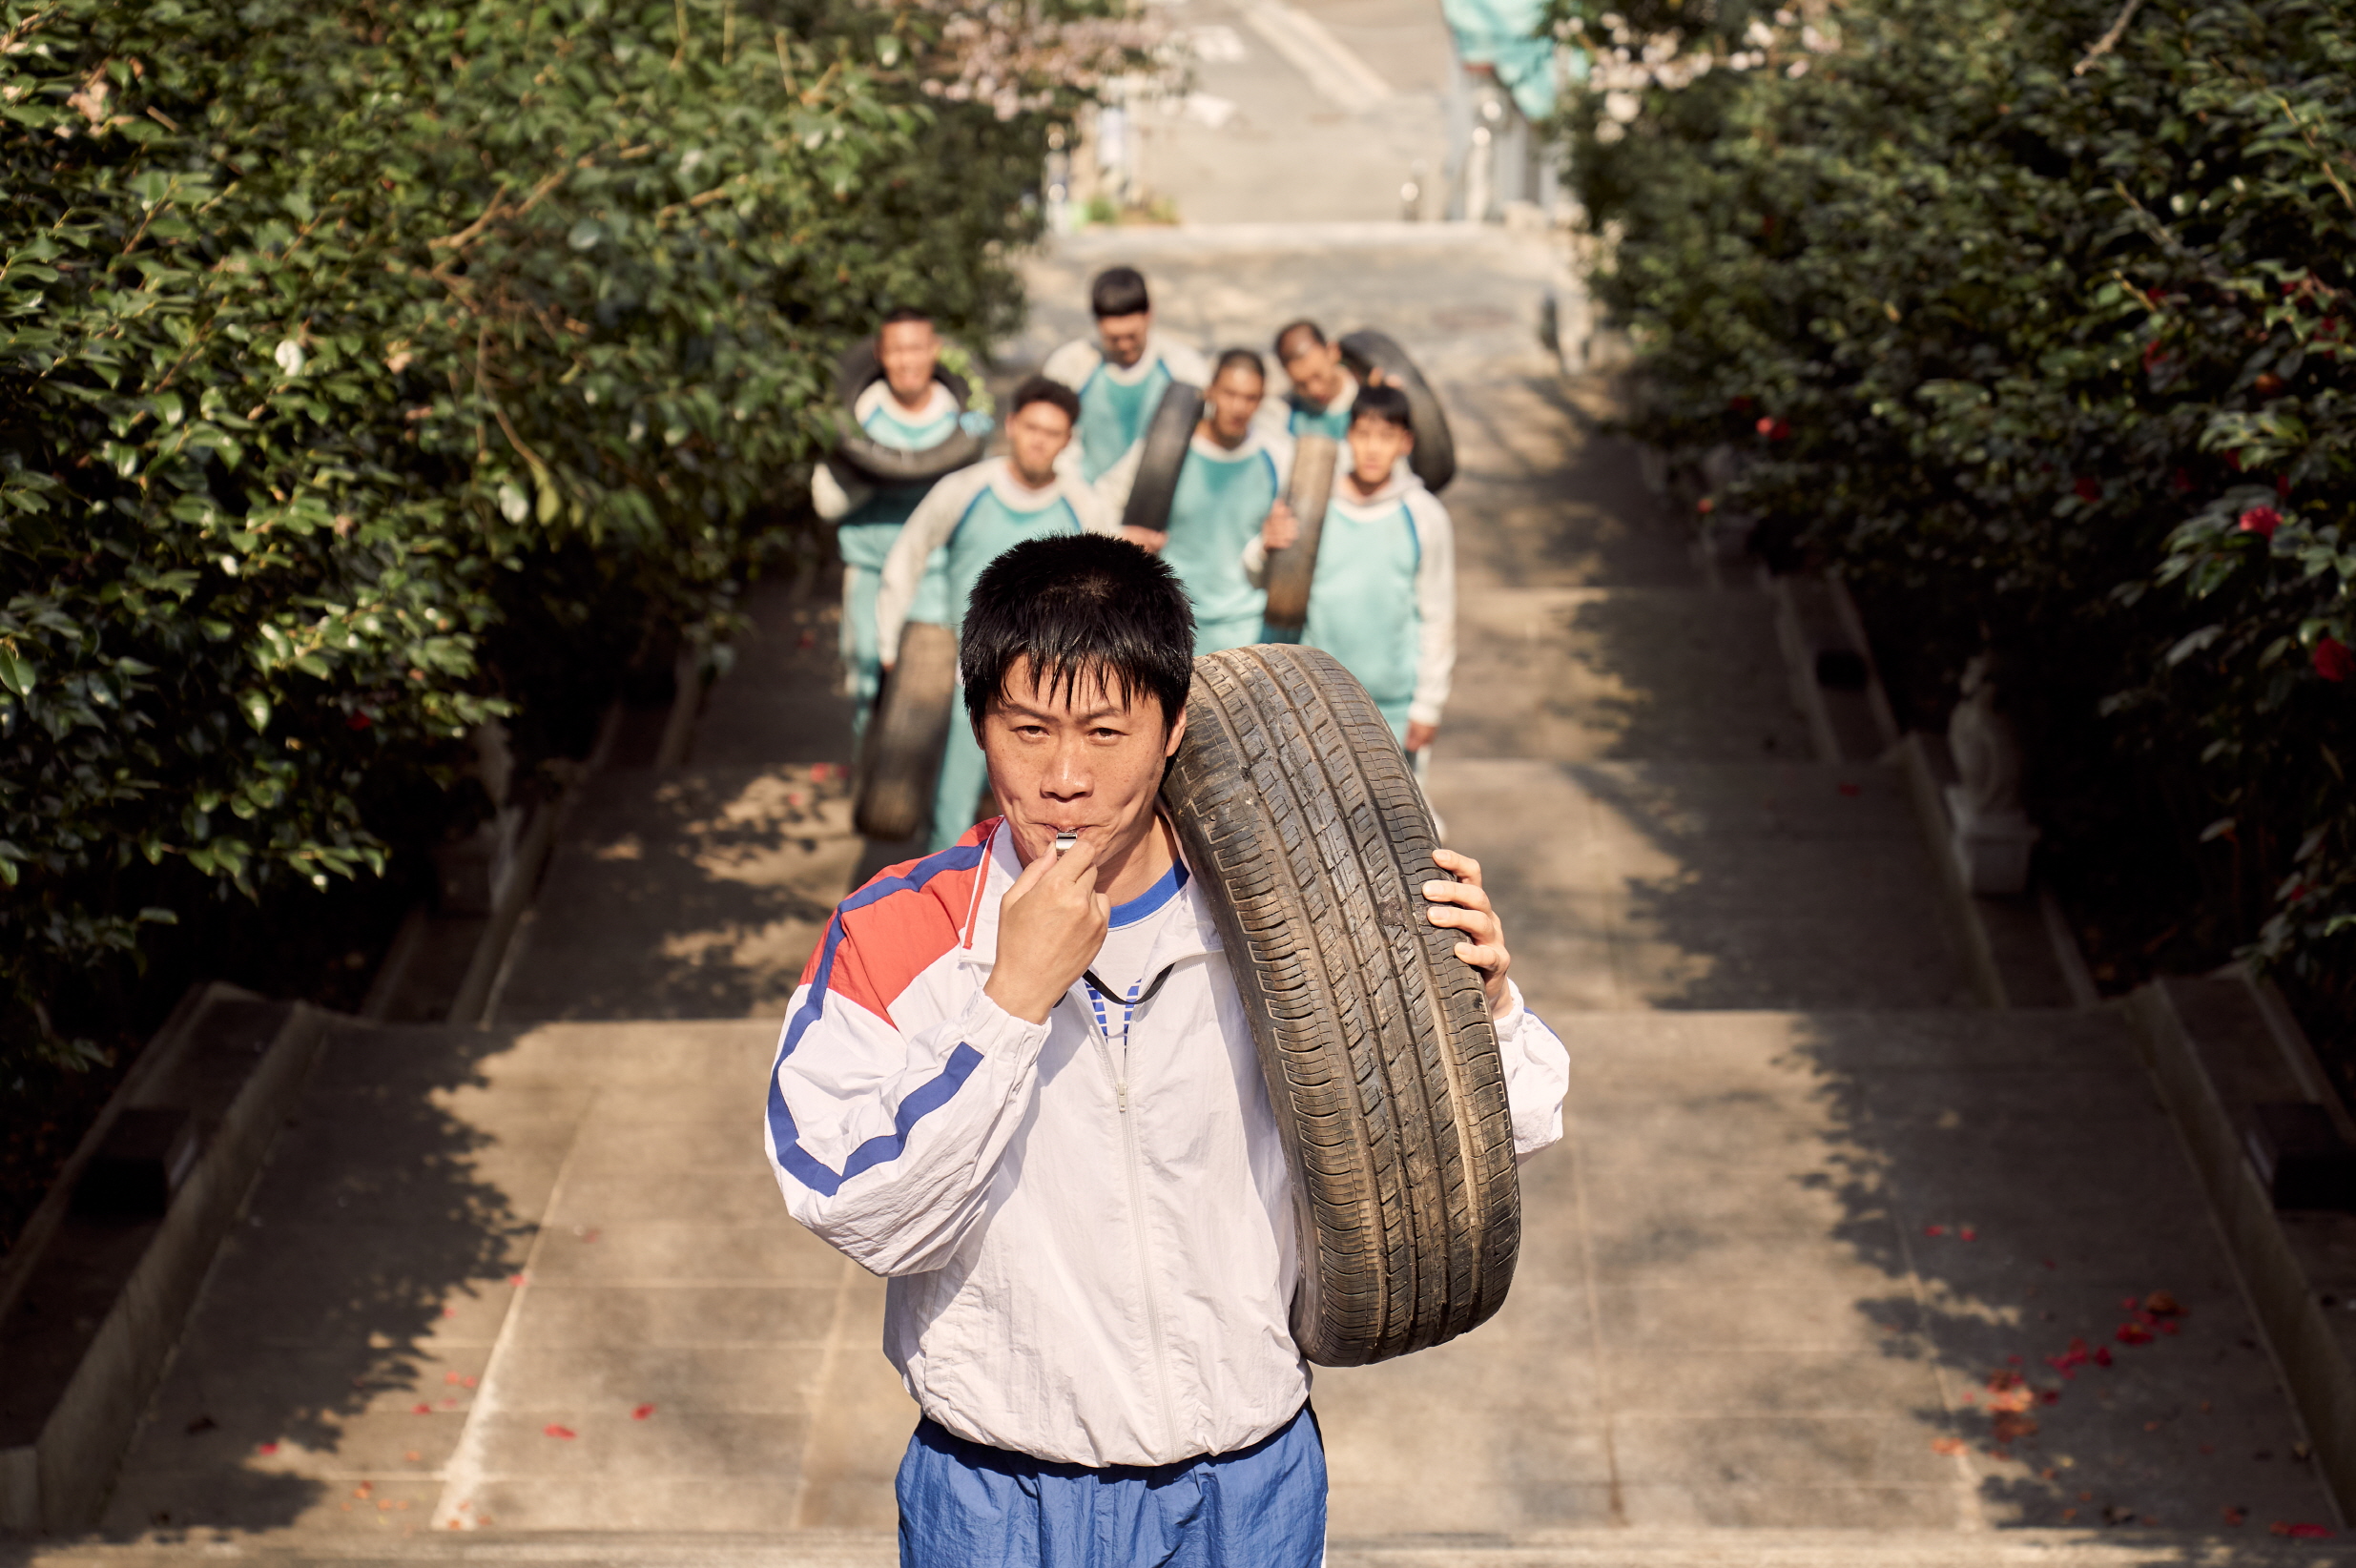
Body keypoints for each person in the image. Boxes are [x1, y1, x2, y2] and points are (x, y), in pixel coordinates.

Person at [762, 533, 1567, 1567]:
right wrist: (1009, 1002)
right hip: (997, 1500)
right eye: (1027, 730)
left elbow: (1514, 1127)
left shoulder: (1296, 917)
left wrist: (1484, 1004)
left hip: (1246, 1489)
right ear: (978, 727)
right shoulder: (894, 931)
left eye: (1106, 731)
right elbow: (857, 1208)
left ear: (1174, 725)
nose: (1064, 777)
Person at [875, 377, 1121, 853]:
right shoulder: (964, 488)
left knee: (1046, 814)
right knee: (951, 807)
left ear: (1068, 441)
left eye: (1052, 433)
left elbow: (1110, 597)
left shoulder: (1086, 506)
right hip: (966, 680)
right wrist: (889, 648)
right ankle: (950, 912)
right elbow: (907, 555)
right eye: (1031, 427)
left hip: (1049, 693)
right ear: (1011, 425)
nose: (1038, 440)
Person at [1245, 383, 1454, 753]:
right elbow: (1256, 578)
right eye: (1364, 434)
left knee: (1397, 811)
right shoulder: (1313, 501)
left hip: (1392, 706)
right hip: (1313, 701)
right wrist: (1264, 546)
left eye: (1386, 437)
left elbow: (1437, 616)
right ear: (1348, 435)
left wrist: (1427, 707)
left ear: (1406, 443)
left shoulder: (1425, 515)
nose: (1373, 448)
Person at [814, 309, 969, 732]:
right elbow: (825, 505)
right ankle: (868, 785)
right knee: (869, 692)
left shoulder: (960, 417)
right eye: (897, 350)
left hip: (936, 577)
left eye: (916, 348)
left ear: (935, 351)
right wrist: (872, 469)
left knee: (944, 698)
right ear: (881, 354)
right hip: (870, 572)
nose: (907, 361)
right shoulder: (857, 416)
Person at [1106, 347, 1294, 653]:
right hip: (1170, 624)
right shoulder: (1165, 450)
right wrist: (1123, 541)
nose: (1238, 407)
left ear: (1260, 401)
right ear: (1210, 392)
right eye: (1229, 393)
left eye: (1249, 398)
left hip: (1243, 628)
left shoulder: (1278, 457)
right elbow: (1104, 499)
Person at [1041, 266, 1211, 485]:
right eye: (1113, 338)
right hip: (1085, 499)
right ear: (1097, 323)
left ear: (1149, 315)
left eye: (1132, 336)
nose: (1124, 346)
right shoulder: (1068, 366)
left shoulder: (1185, 368)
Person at [1268, 319, 1360, 443]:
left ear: (1333, 352)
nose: (1314, 389)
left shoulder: (1374, 396)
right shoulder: (1281, 411)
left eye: (1317, 376)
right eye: (1301, 384)